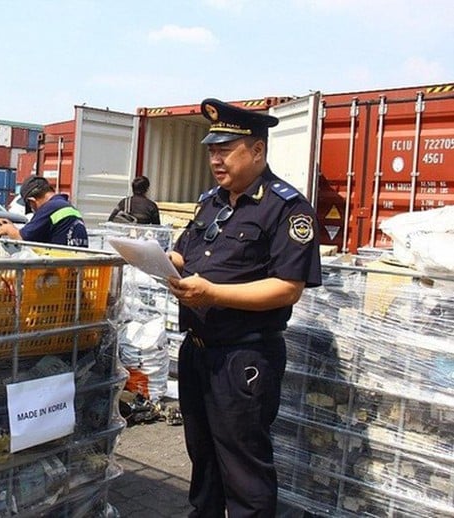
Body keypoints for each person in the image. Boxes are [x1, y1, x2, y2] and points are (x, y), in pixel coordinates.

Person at [167, 98, 322, 518]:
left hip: (244, 357)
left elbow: (288, 288)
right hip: (198, 349)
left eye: (225, 150)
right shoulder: (211, 201)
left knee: (244, 467)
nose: (216, 160)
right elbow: (186, 256)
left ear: (257, 151)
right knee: (203, 458)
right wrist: (158, 261)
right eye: (212, 151)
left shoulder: (286, 207)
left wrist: (213, 294)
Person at [0, 175, 88, 247]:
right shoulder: (68, 207)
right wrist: (12, 226)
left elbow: (21, 238)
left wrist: (7, 229)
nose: (34, 211)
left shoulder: (50, 208)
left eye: (31, 207)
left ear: (32, 201)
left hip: (60, 268)